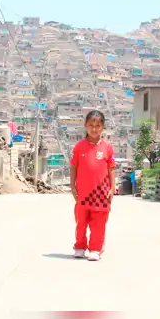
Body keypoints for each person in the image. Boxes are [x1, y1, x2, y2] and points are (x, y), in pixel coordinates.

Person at [69, 110, 116, 261]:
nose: (94, 129)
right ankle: (80, 247)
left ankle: (95, 249)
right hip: (83, 192)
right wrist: (72, 185)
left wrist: (112, 187)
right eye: (91, 125)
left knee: (99, 223)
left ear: (103, 127)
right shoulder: (79, 146)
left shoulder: (107, 147)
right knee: (81, 222)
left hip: (101, 193)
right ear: (85, 126)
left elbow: (111, 168)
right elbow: (74, 167)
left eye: (98, 125)